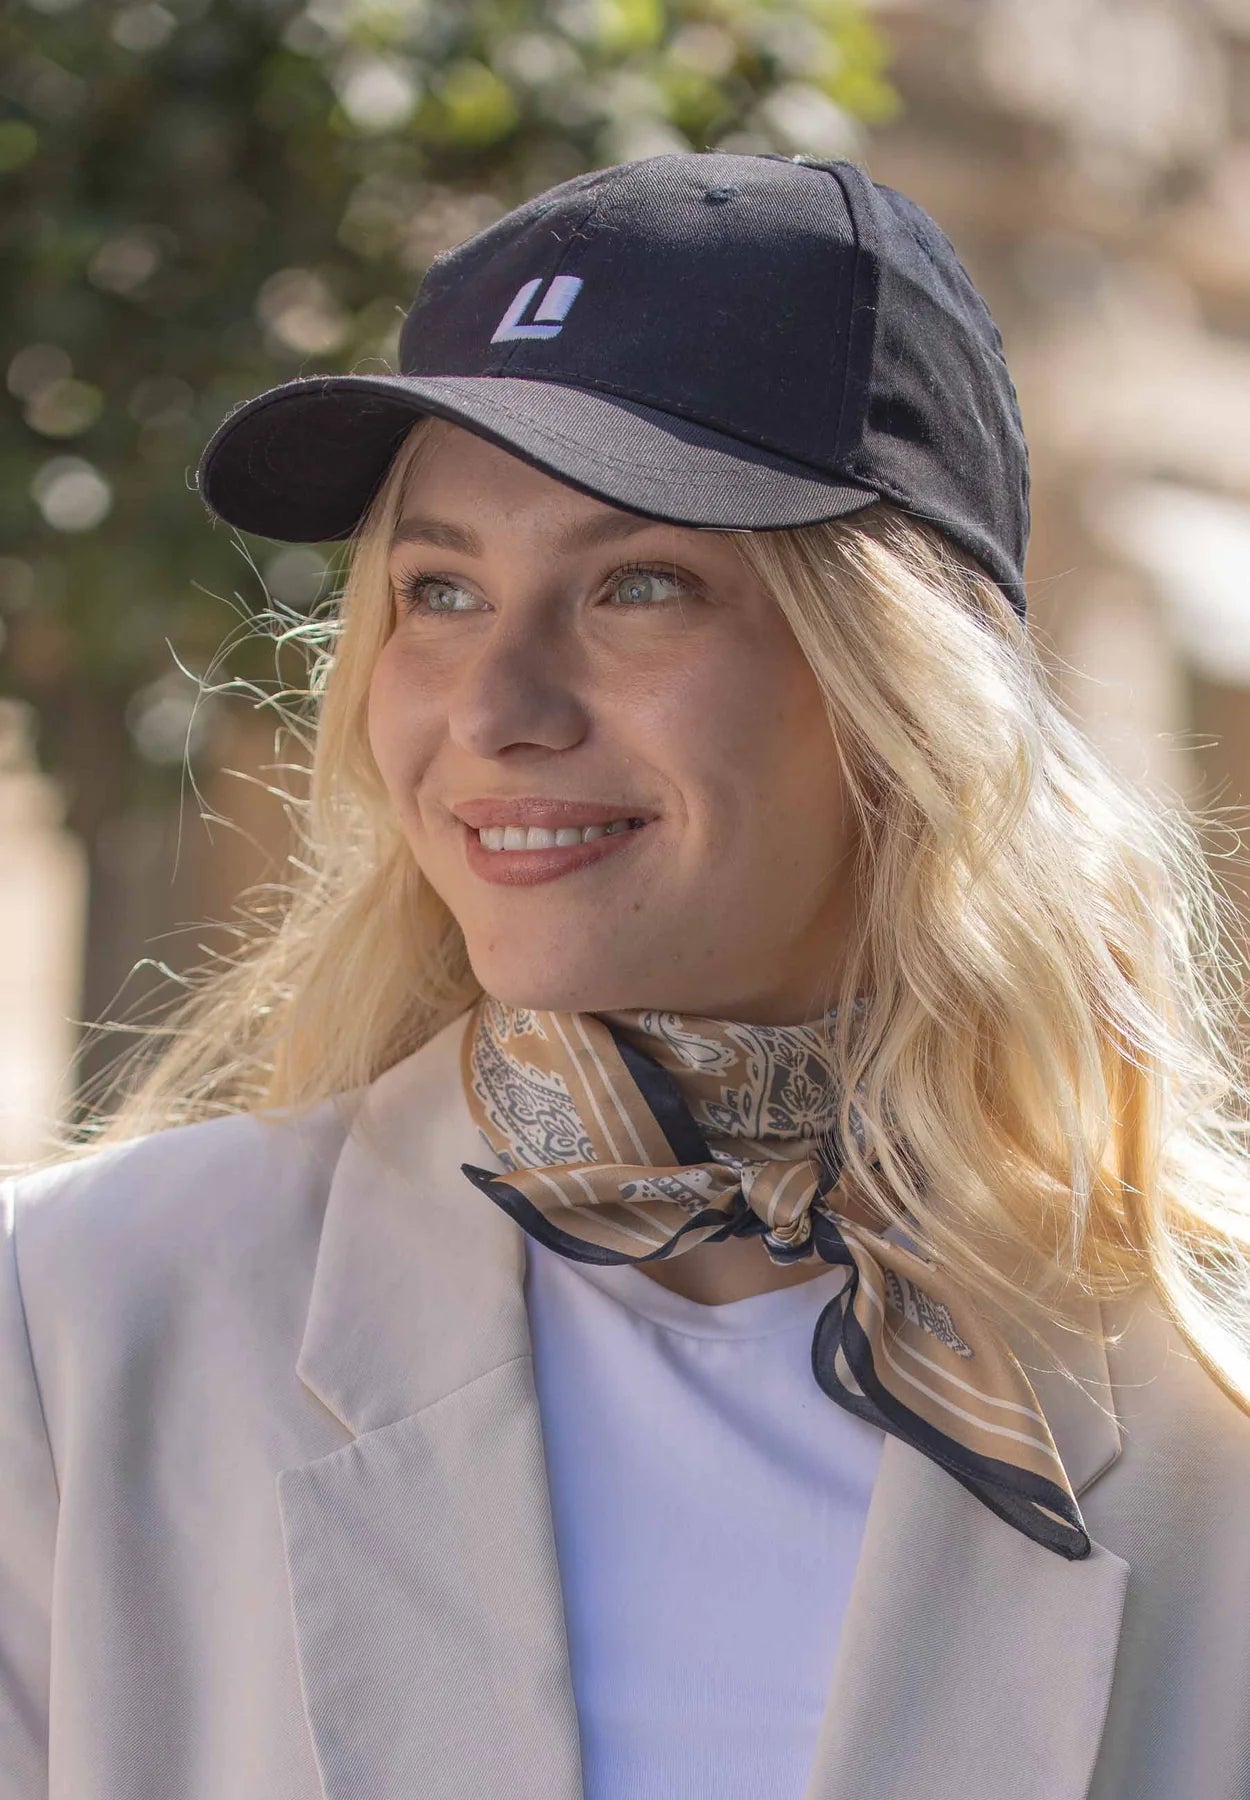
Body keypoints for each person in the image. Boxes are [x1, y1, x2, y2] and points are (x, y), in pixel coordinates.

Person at [2, 150, 1249, 1800]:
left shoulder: (1203, 1404)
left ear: (900, 684)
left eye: (637, 585)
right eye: (439, 591)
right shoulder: (72, 1323)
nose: (493, 706)